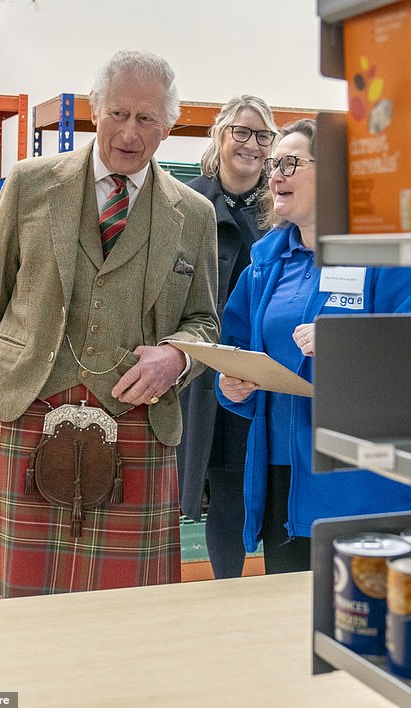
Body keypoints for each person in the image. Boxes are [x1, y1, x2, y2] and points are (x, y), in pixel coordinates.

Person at [0, 49, 219, 598]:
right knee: (13, 598)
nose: (128, 131)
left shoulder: (193, 214)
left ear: (168, 127)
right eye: (118, 113)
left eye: (146, 119)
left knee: (123, 610)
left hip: (136, 422)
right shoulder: (28, 183)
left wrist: (179, 357)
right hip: (23, 405)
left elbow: (203, 322)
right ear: (96, 108)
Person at [215, 119, 411, 574]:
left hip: (362, 487)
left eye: (290, 163)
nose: (275, 175)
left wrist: (348, 346)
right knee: (288, 630)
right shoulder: (266, 264)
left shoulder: (394, 254)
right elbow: (236, 351)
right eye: (273, 165)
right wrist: (233, 384)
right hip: (280, 483)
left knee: (368, 628)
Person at [177, 96, 278, 579]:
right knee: (218, 485)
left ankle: (252, 591)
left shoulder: (281, 210)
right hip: (204, 375)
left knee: (257, 485)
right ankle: (222, 592)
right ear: (219, 136)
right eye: (242, 131)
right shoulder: (185, 202)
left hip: (266, 370)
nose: (252, 145)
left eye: (263, 136)